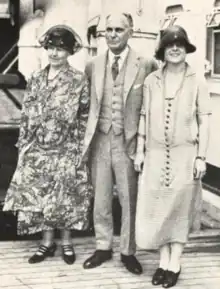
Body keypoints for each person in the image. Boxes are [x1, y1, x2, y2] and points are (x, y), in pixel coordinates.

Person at [3, 24, 93, 265]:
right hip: (39, 148)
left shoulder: (78, 79)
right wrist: (24, 145)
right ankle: (46, 243)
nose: (55, 53)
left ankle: (66, 242)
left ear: (70, 52)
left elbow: (84, 115)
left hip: (67, 147)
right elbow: (27, 113)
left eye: (61, 49)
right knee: (41, 196)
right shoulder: (35, 79)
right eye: (51, 48)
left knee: (66, 196)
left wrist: (80, 147)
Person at [134, 25, 211, 288]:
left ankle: (174, 263)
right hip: (155, 157)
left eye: (179, 45)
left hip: (184, 155)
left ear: (186, 49)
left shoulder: (197, 80)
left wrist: (201, 156)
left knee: (179, 210)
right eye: (169, 45)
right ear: (163, 51)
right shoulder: (151, 80)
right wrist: (140, 151)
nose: (175, 49)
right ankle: (162, 261)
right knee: (158, 210)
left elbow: (205, 120)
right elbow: (144, 116)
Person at [82, 12, 157, 274]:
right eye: (108, 30)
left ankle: (128, 251)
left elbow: (153, 102)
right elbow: (86, 105)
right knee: (100, 198)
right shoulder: (93, 64)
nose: (112, 34)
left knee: (129, 199)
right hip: (100, 140)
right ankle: (103, 247)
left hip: (129, 142)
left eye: (118, 30)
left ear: (130, 32)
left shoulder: (146, 63)